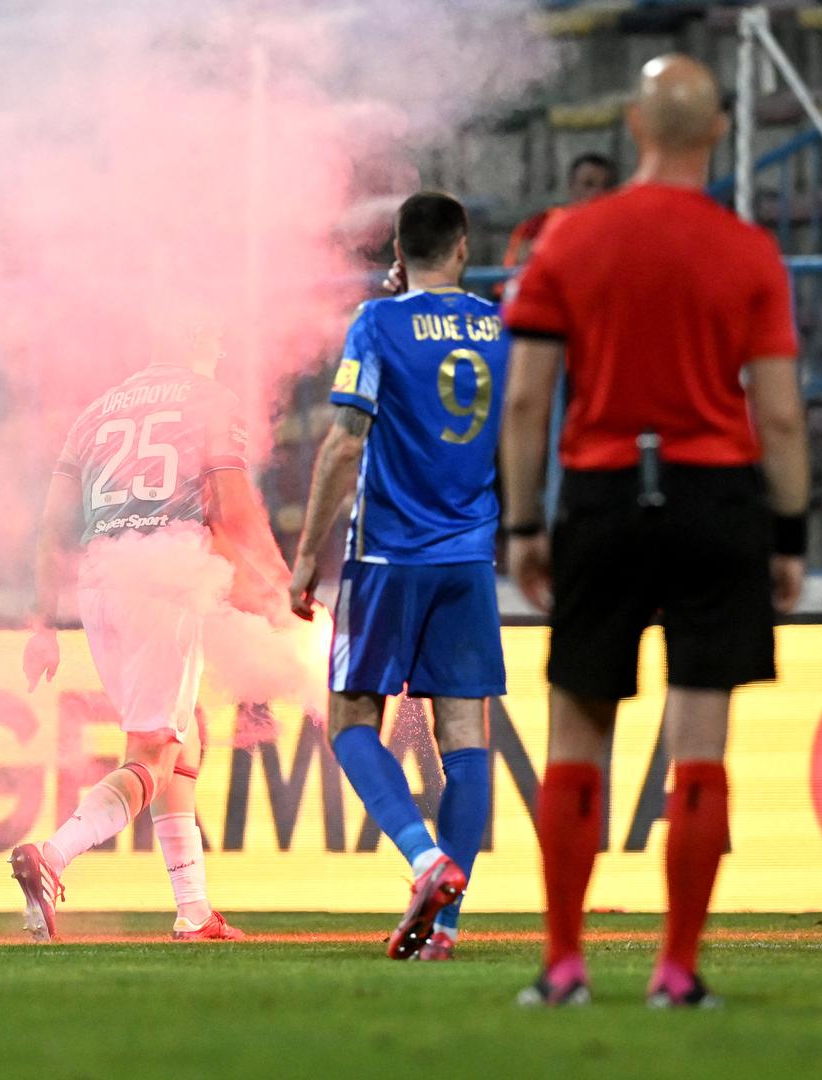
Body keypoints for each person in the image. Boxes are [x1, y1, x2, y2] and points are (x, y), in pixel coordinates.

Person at [500, 54, 808, 1007]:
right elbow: (784, 414)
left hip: (599, 495)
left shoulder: (566, 239)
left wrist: (520, 524)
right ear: (717, 132)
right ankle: (676, 969)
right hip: (716, 499)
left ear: (635, 125)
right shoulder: (748, 251)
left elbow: (525, 402)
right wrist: (788, 534)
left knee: (578, 729)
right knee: (701, 735)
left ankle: (562, 965)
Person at [12, 316, 290, 942]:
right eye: (216, 338)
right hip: (163, 578)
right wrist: (276, 585)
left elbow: (52, 526)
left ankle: (193, 910)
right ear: (196, 341)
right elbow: (232, 505)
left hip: (99, 581)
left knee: (183, 738)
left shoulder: (94, 413)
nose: (221, 349)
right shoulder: (211, 399)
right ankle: (51, 856)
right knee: (153, 754)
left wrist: (42, 623)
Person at [289, 191, 506, 963]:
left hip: (387, 556)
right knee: (464, 738)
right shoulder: (496, 325)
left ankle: (424, 859)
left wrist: (306, 554)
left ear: (396, 253)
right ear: (461, 246)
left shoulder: (378, 323)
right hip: (468, 557)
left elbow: (345, 444)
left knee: (350, 721)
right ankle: (444, 930)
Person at [501, 153, 619, 271]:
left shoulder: (619, 230)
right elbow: (518, 268)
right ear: (572, 187)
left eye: (606, 186)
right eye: (588, 184)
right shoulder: (540, 224)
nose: (597, 193)